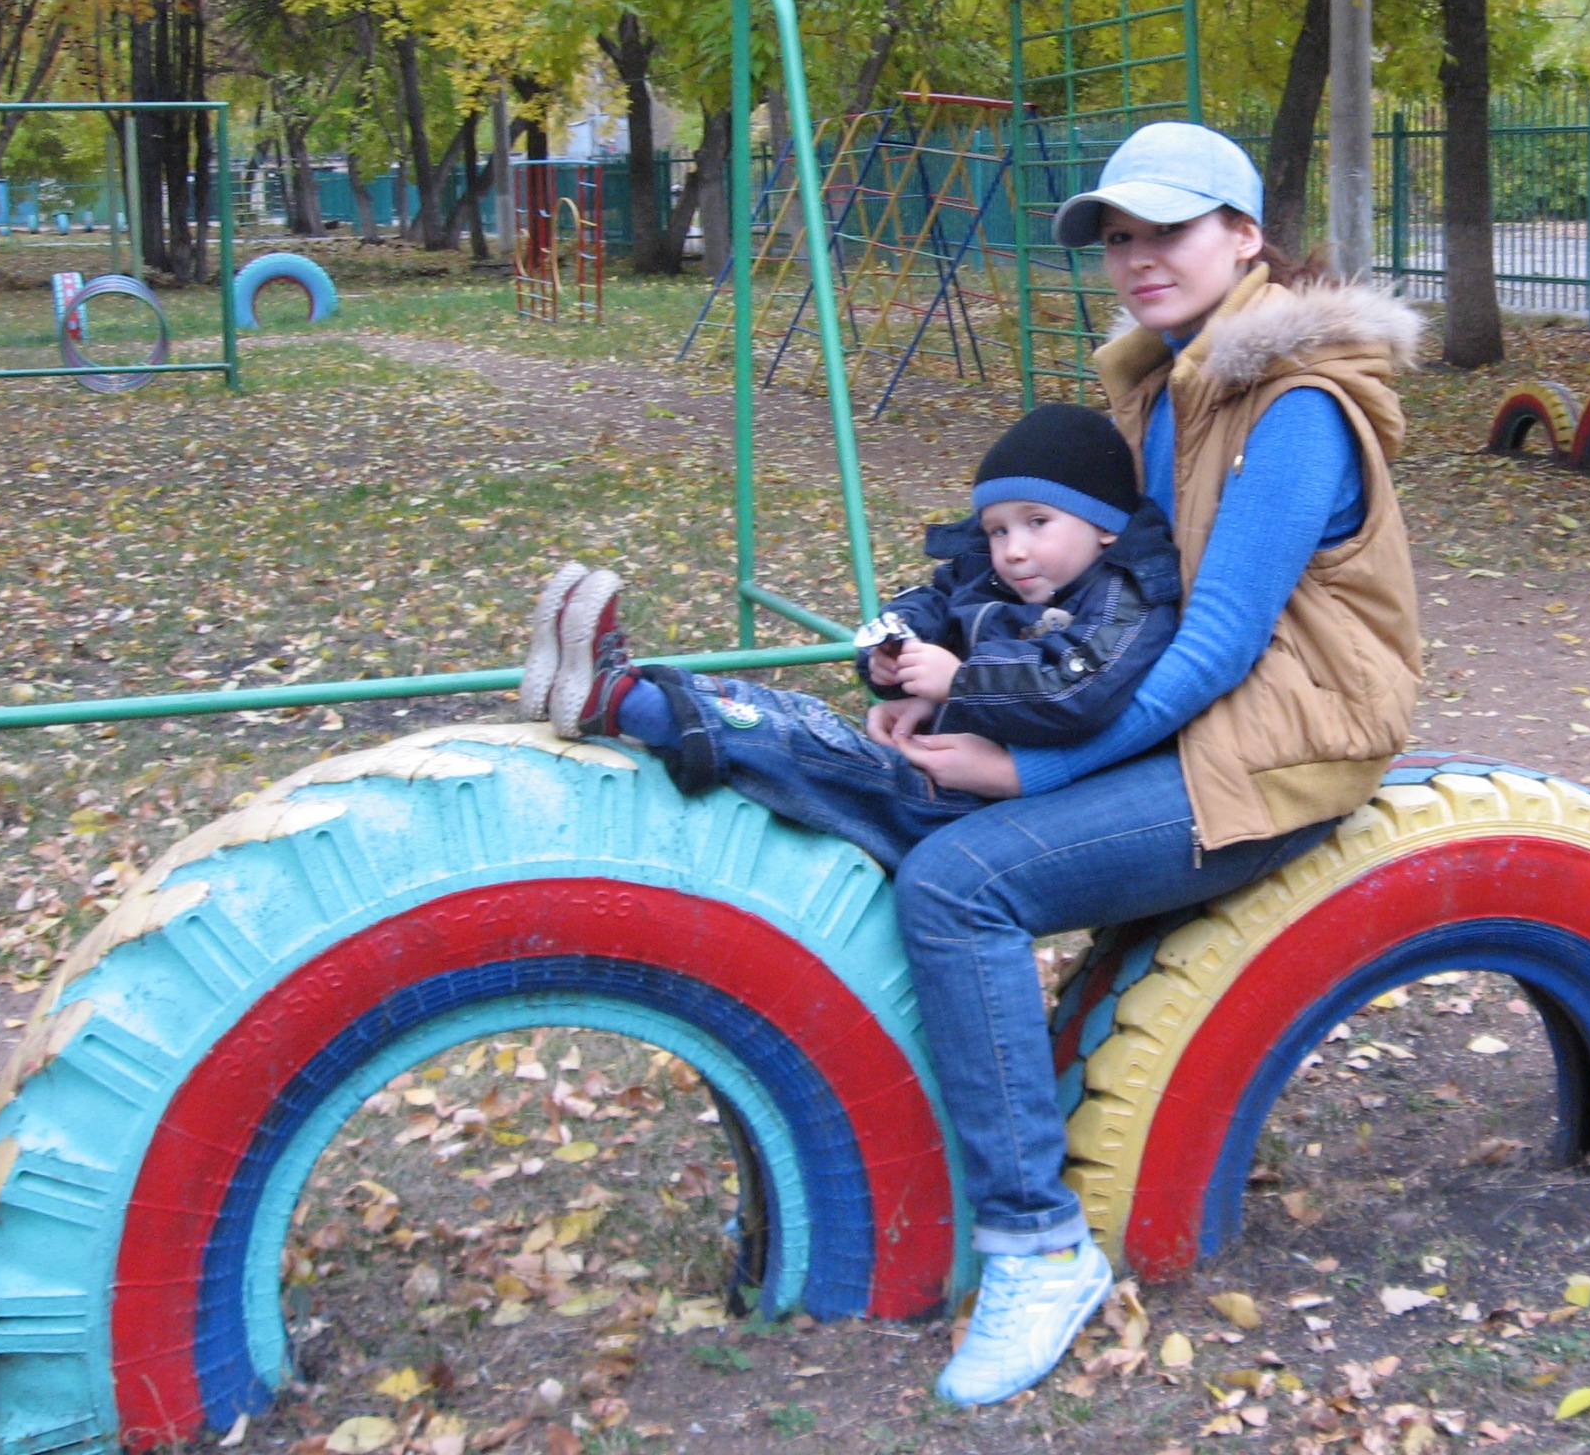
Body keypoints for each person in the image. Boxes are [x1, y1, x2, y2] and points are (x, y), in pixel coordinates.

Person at [524, 121, 1422, 1408]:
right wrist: (955, 662)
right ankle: (658, 708)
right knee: (915, 781)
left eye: (1167, 231)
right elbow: (1110, 597)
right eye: (1117, 236)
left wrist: (1035, 773)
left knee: (961, 881)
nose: (1136, 257)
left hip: (1279, 752)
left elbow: (1218, 644)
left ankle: (1039, 1248)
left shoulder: (1295, 408)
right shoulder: (1167, 387)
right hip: (1174, 715)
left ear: (1243, 237)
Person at [516, 401, 1182, 872]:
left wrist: (957, 682)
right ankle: (599, 684)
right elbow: (933, 599)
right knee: (792, 713)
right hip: (933, 762)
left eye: (1038, 522)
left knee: (798, 744)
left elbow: (1073, 687)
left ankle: (621, 702)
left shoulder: (1123, 598)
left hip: (966, 805)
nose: (1012, 549)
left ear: (1105, 525)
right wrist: (890, 649)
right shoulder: (1001, 575)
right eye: (998, 529)